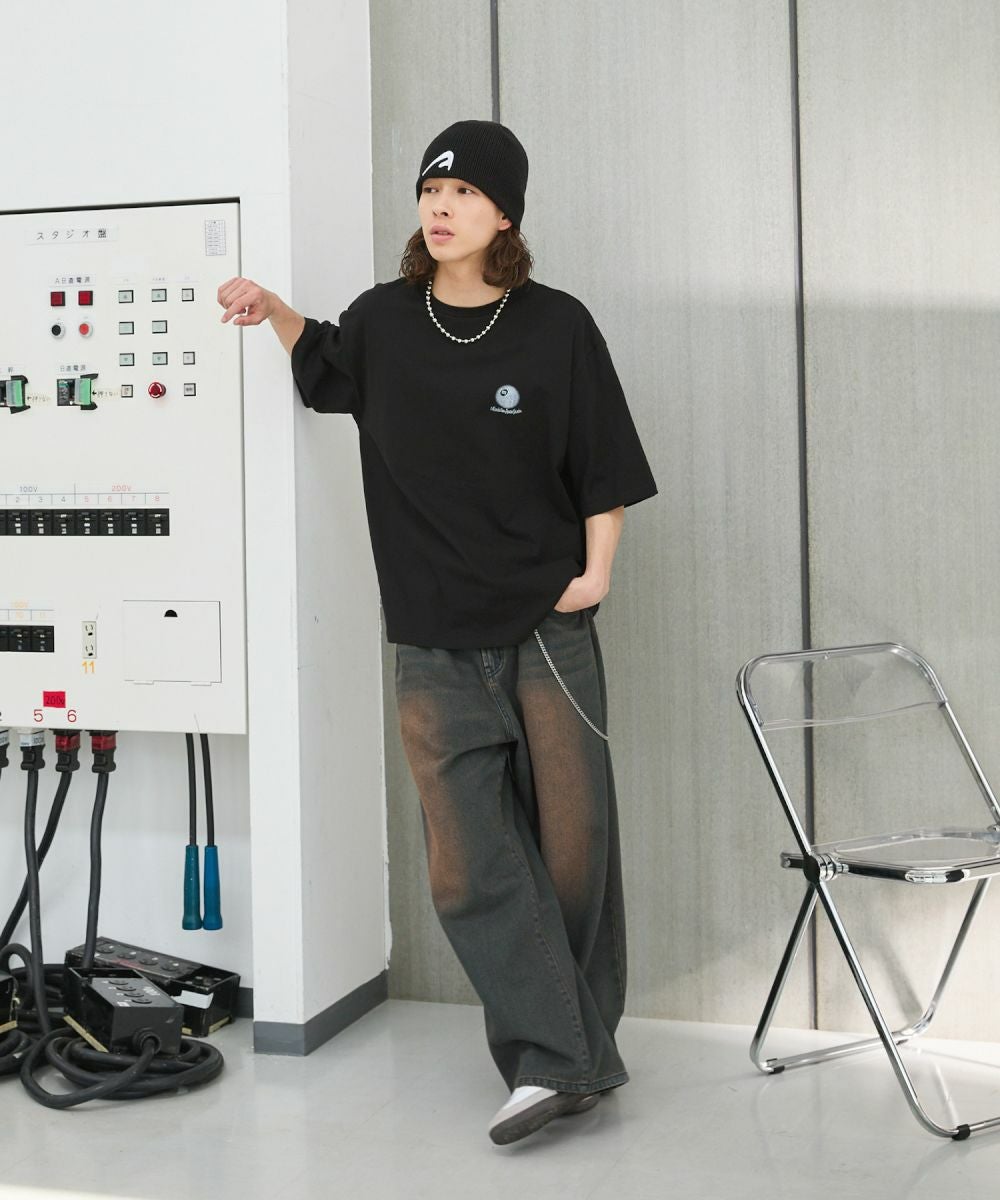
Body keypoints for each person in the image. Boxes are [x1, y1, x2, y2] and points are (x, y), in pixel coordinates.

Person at [217, 119, 658, 1146]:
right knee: (466, 867)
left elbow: (602, 459)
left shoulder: (557, 326)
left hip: (547, 629)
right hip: (430, 637)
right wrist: (271, 307)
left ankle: (568, 1056)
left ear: (504, 214)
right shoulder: (382, 321)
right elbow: (324, 366)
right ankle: (563, 1061)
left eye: (463, 193)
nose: (441, 206)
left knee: (574, 850)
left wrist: (594, 575)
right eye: (430, 191)